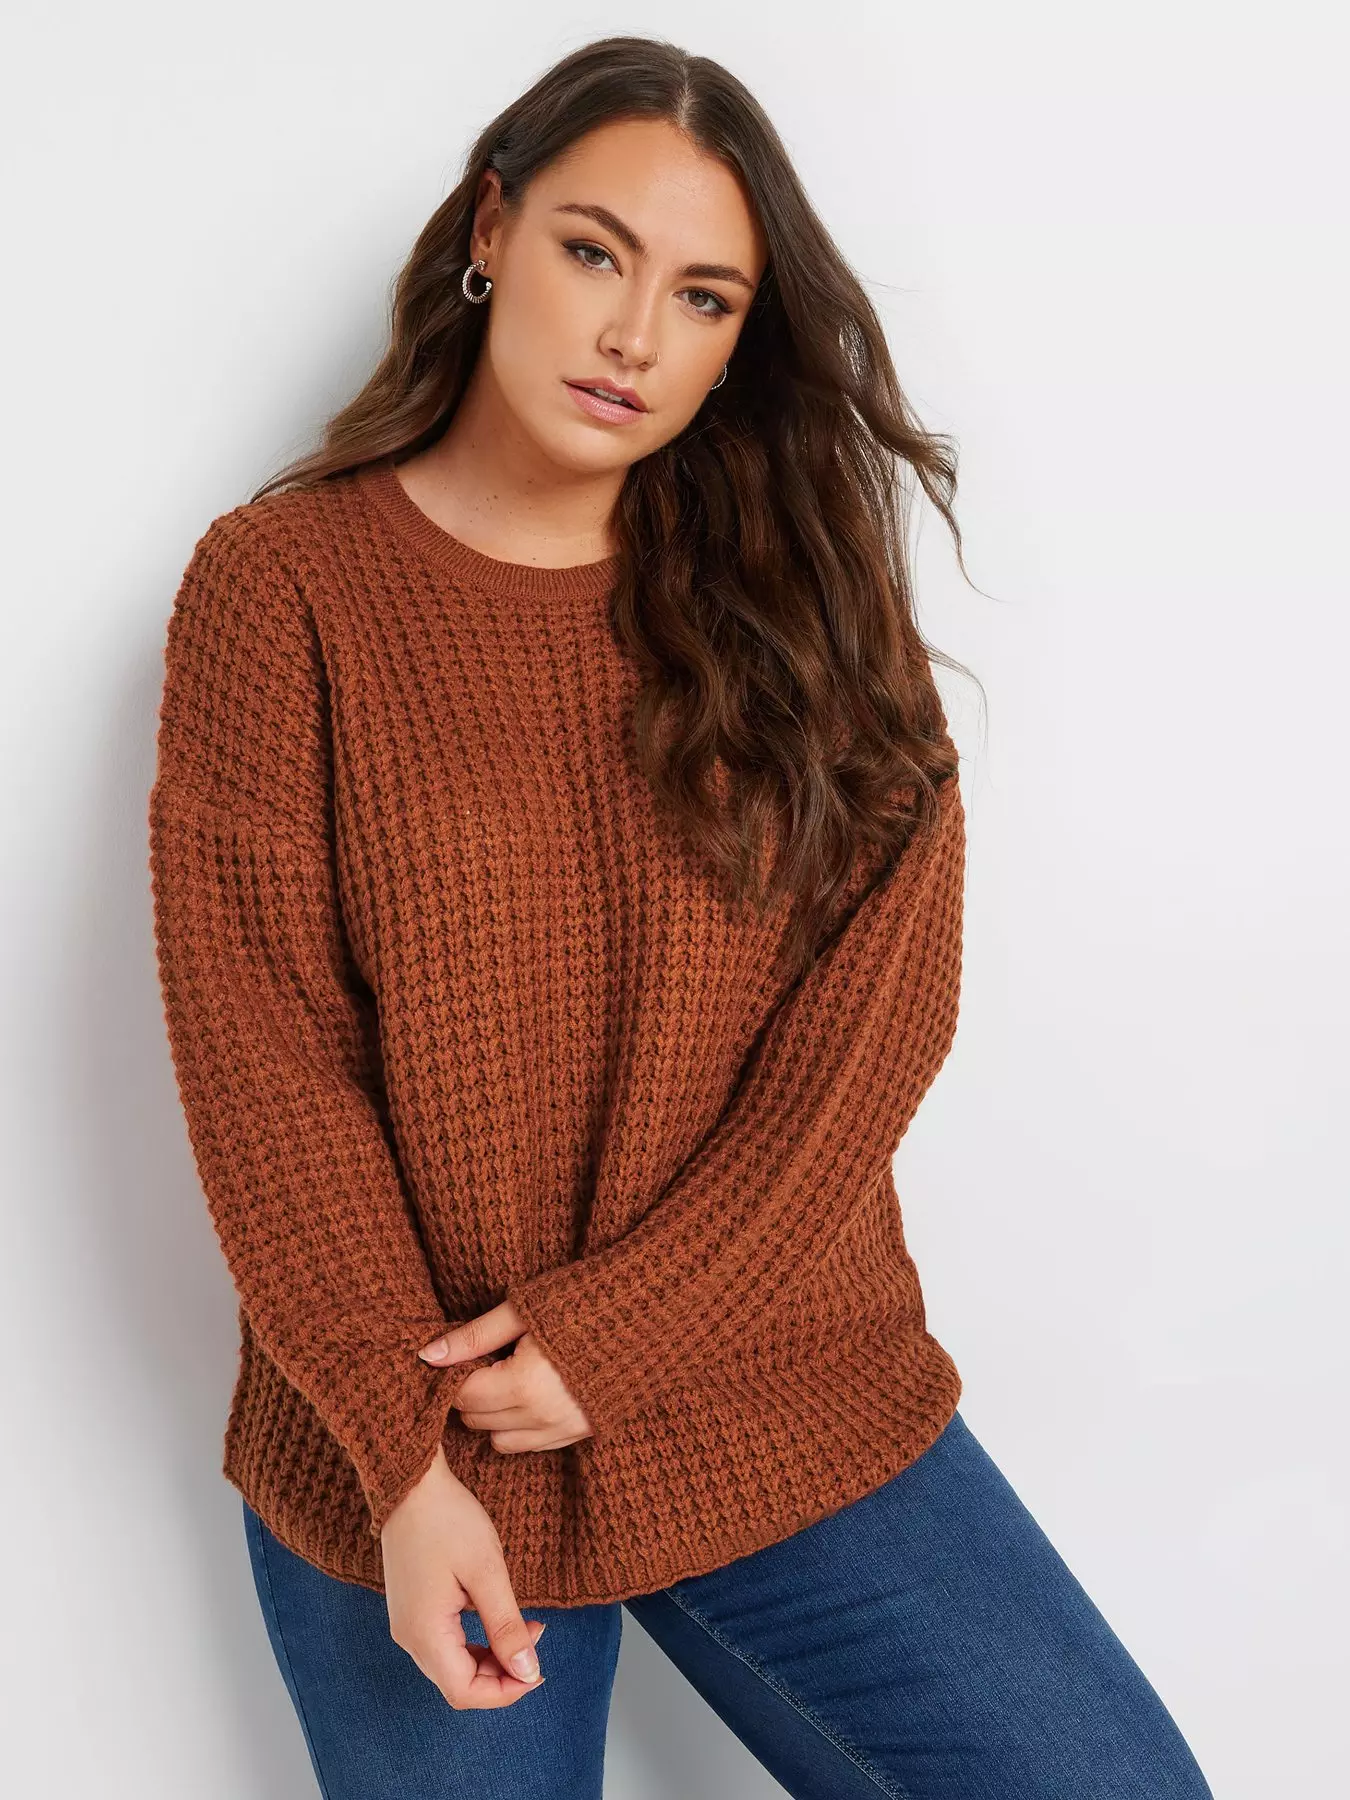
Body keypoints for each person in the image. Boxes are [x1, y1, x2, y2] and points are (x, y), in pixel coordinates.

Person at [147, 33, 1214, 1800]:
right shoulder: (284, 590)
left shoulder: (803, 592)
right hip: (415, 1426)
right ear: (491, 228)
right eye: (595, 252)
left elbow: (875, 1012)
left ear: (738, 340)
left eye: (703, 296)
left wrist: (633, 1329)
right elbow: (266, 1058)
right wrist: (402, 1462)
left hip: (769, 1374)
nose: (635, 335)